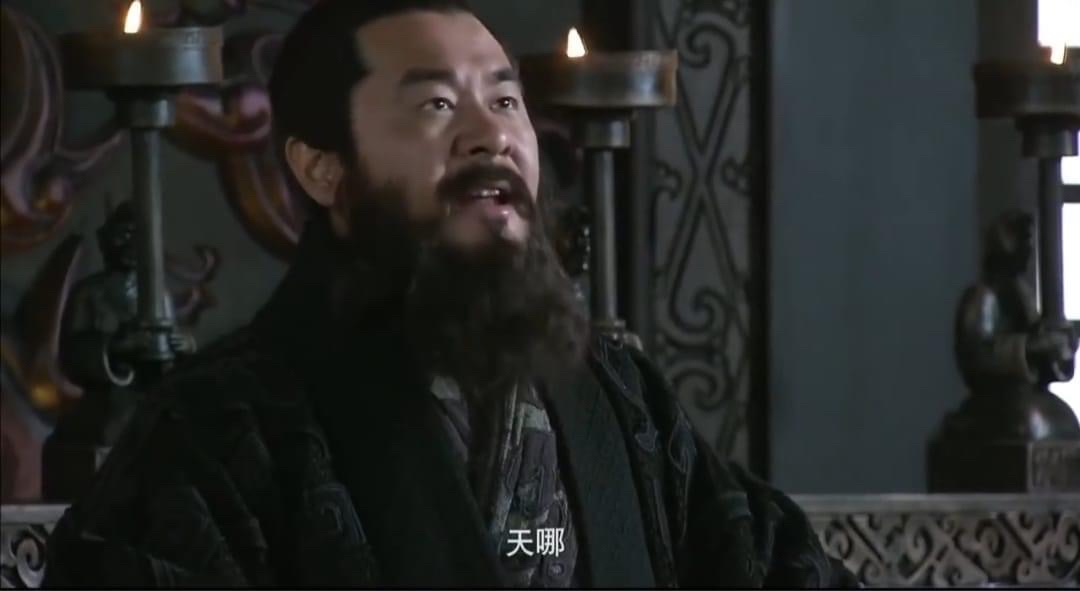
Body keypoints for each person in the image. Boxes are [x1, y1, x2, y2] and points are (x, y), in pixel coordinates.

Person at [43, 1, 857, 587]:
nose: (491, 134)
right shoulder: (217, 429)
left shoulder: (622, 397)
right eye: (436, 104)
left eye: (505, 100)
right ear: (322, 167)